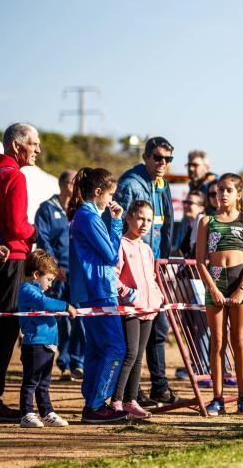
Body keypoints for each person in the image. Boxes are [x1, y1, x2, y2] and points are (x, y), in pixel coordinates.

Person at [114, 136, 178, 407]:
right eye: (158, 158)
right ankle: (129, 395)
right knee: (133, 343)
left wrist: (167, 261)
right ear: (146, 157)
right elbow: (117, 224)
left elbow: (165, 227)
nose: (163, 163)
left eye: (168, 159)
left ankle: (158, 388)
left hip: (153, 264)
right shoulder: (131, 184)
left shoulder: (160, 185)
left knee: (157, 330)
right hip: (130, 267)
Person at [68, 167, 129, 424]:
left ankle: (92, 404)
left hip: (90, 289)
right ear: (98, 192)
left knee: (95, 349)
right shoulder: (90, 216)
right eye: (110, 194)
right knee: (115, 347)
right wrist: (116, 223)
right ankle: (95, 404)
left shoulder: (84, 214)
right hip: (100, 289)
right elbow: (112, 254)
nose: (112, 200)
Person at [196, 174, 243, 416]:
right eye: (219, 190)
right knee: (217, 342)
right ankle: (217, 398)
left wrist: (242, 288)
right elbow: (200, 260)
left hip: (239, 281)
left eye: (228, 190)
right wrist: (212, 289)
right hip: (215, 282)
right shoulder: (206, 221)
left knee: (240, 340)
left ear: (239, 194)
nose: (222, 194)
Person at [0, 122, 40, 421]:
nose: (38, 149)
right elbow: (16, 226)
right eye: (34, 143)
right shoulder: (15, 177)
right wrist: (34, 231)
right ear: (17, 145)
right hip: (12, 258)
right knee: (5, 329)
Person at [113, 200, 164, 419]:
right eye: (141, 218)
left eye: (149, 220)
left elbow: (152, 277)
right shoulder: (121, 244)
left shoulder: (147, 249)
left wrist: (157, 296)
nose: (145, 223)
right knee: (130, 353)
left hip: (149, 308)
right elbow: (113, 275)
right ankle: (116, 400)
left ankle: (131, 401)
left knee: (139, 355)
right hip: (130, 309)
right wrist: (128, 293)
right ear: (129, 218)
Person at [35, 168, 85, 381]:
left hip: (78, 274)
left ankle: (78, 363)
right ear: (66, 185)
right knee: (61, 319)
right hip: (55, 276)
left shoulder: (80, 211)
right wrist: (55, 268)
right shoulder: (47, 209)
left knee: (80, 317)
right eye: (75, 184)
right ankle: (63, 363)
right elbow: (43, 240)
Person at [18, 249, 75, 428]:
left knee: (44, 383)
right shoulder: (27, 289)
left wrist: (56, 314)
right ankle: (27, 413)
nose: (50, 285)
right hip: (35, 344)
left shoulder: (38, 293)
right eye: (49, 279)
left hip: (48, 345)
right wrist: (65, 305)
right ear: (36, 274)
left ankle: (46, 412)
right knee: (31, 382)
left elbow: (43, 309)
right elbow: (43, 304)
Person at [173, 189, 205, 259]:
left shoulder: (201, 222)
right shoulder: (186, 223)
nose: (186, 205)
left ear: (201, 208)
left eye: (190, 203)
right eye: (185, 202)